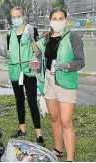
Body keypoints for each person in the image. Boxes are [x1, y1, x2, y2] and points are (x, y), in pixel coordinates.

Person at [36, 8, 85, 161]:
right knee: (55, 118)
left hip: (66, 83)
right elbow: (38, 54)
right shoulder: (47, 37)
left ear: (66, 19)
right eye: (55, 19)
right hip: (49, 82)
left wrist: (67, 65)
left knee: (66, 121)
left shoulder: (72, 36)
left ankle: (70, 159)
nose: (58, 21)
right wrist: (35, 65)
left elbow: (81, 61)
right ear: (50, 21)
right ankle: (58, 149)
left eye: (60, 18)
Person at [6, 7, 45, 146]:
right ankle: (22, 128)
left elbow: (38, 51)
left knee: (32, 102)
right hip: (15, 71)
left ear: (24, 17)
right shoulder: (9, 34)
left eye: (18, 16)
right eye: (13, 16)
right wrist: (4, 53)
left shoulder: (31, 29)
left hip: (29, 70)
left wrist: (32, 39)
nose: (16, 18)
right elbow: (9, 53)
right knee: (19, 100)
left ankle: (39, 134)